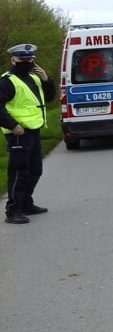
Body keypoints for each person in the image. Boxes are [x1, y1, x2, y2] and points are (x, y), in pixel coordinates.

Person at [0, 44, 56, 224]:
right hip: (18, 132)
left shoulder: (34, 77)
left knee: (35, 170)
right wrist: (12, 125)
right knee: (19, 172)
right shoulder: (7, 81)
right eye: (22, 60)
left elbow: (49, 97)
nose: (26, 62)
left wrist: (47, 79)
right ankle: (13, 209)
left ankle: (25, 203)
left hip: (34, 129)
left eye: (29, 59)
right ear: (13, 60)